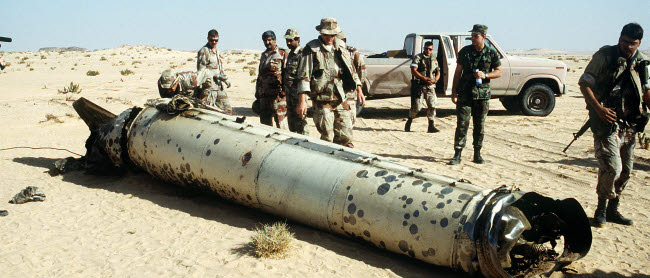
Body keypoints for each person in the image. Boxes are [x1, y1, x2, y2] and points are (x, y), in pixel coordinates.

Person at [579, 23, 650, 227]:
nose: (628, 47)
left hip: (630, 124)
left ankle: (613, 210)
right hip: (607, 121)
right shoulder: (605, 56)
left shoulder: (643, 61)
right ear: (620, 38)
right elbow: (584, 84)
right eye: (625, 42)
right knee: (612, 167)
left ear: (639, 43)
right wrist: (599, 109)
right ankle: (600, 209)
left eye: (633, 44)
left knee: (626, 171)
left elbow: (647, 89)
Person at [296, 17, 365, 148]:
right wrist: (302, 101)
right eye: (326, 35)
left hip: (341, 97)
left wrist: (359, 89)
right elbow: (304, 76)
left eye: (332, 35)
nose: (330, 38)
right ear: (320, 33)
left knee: (346, 136)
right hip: (322, 100)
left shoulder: (340, 46)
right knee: (327, 137)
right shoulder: (311, 48)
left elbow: (352, 70)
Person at [449, 24, 502, 165]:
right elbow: (458, 71)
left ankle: (477, 154)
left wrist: (485, 75)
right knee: (462, 124)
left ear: (483, 37)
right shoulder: (465, 52)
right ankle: (457, 154)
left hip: (482, 96)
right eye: (472, 36)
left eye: (475, 36)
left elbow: (498, 71)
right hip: (465, 94)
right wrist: (454, 91)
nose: (472, 38)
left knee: (479, 125)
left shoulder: (491, 53)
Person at [255, 31, 288, 129]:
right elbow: (260, 76)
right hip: (264, 96)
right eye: (265, 40)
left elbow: (287, 74)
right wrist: (257, 93)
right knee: (265, 126)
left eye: (269, 40)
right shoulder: (263, 55)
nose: (267, 42)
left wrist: (284, 92)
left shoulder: (282, 53)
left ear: (275, 40)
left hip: (277, 96)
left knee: (281, 125)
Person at [406, 41, 441, 133]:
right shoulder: (418, 58)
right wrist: (423, 78)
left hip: (430, 86)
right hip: (420, 86)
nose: (428, 51)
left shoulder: (434, 59)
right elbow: (413, 71)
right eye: (426, 49)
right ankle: (409, 121)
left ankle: (431, 126)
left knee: (432, 105)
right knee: (417, 107)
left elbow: (438, 72)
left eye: (430, 49)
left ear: (432, 50)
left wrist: (435, 80)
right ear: (423, 48)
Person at [197, 29, 233, 114]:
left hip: (218, 86)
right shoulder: (204, 51)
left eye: (216, 40)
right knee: (207, 112)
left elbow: (219, 68)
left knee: (227, 110)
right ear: (207, 39)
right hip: (209, 88)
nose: (214, 42)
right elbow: (201, 70)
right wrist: (216, 76)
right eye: (211, 40)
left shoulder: (217, 51)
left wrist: (225, 79)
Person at [283, 28, 309, 134]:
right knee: (292, 124)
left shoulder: (302, 54)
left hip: (298, 95)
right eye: (287, 41)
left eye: (291, 40)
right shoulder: (290, 54)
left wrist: (301, 100)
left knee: (301, 124)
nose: (288, 43)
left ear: (298, 39)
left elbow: (303, 76)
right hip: (289, 95)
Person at [337, 31, 367, 123]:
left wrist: (357, 87)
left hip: (349, 93)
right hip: (336, 94)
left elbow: (361, 72)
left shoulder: (352, 53)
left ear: (343, 40)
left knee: (348, 122)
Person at [157, 68, 231, 99]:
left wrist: (218, 76)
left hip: (197, 94)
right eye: (166, 88)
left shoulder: (190, 80)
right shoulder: (161, 84)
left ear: (176, 81)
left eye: (170, 87)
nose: (169, 90)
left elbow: (206, 72)